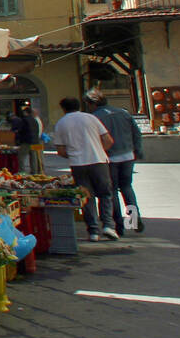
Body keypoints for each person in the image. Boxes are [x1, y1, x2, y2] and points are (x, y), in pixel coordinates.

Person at [53, 96, 116, 241]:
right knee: (106, 194)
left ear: (63, 109)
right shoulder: (91, 118)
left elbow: (61, 151)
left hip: (78, 164)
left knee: (87, 197)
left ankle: (93, 231)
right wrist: (100, 150)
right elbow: (108, 140)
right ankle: (108, 225)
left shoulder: (61, 123)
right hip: (98, 160)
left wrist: (75, 154)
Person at [86, 90, 144, 234]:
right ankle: (133, 220)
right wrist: (137, 150)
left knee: (111, 191)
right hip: (128, 155)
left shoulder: (95, 117)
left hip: (109, 158)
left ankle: (118, 225)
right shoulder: (123, 113)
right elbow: (136, 133)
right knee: (127, 187)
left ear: (92, 104)